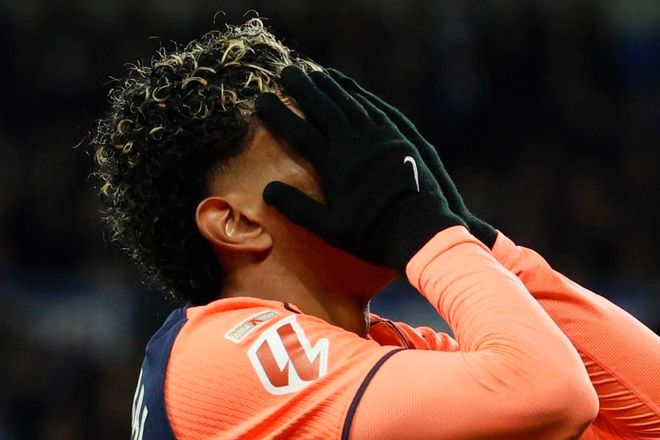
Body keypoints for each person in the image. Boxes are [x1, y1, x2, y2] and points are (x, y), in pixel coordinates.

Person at [92, 19, 660, 439]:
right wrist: (429, 233)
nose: (368, 166)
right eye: (316, 145)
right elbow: (550, 393)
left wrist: (474, 238)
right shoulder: (221, 355)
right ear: (236, 223)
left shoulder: (385, 350)